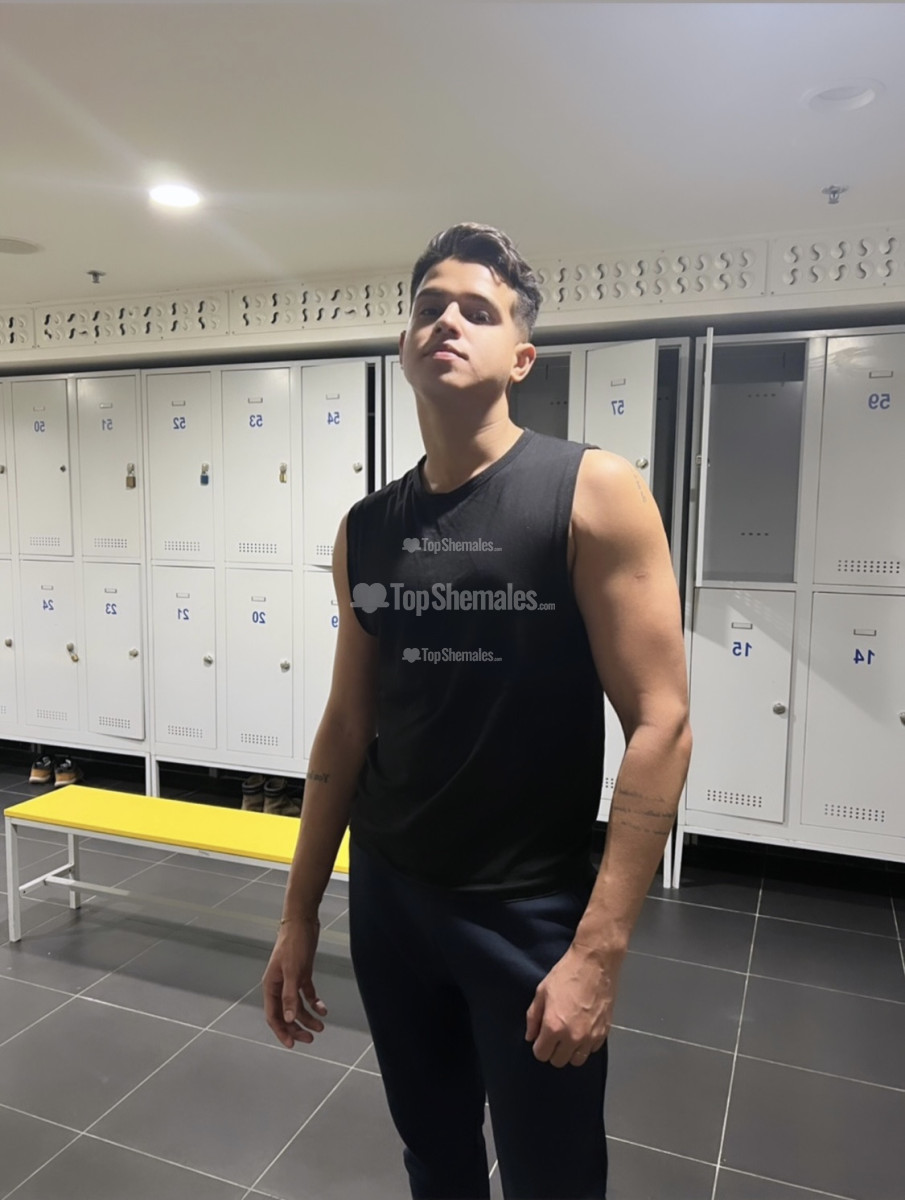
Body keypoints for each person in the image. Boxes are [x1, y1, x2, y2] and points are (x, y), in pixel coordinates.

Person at [263, 223, 692, 1200]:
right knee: (435, 1158)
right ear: (403, 345)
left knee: (552, 1175)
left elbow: (661, 721)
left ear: (520, 358)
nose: (446, 321)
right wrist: (298, 912)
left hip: (525, 909)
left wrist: (597, 952)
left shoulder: (591, 492)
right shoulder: (367, 528)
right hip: (390, 897)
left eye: (476, 310)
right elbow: (345, 726)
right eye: (428, 307)